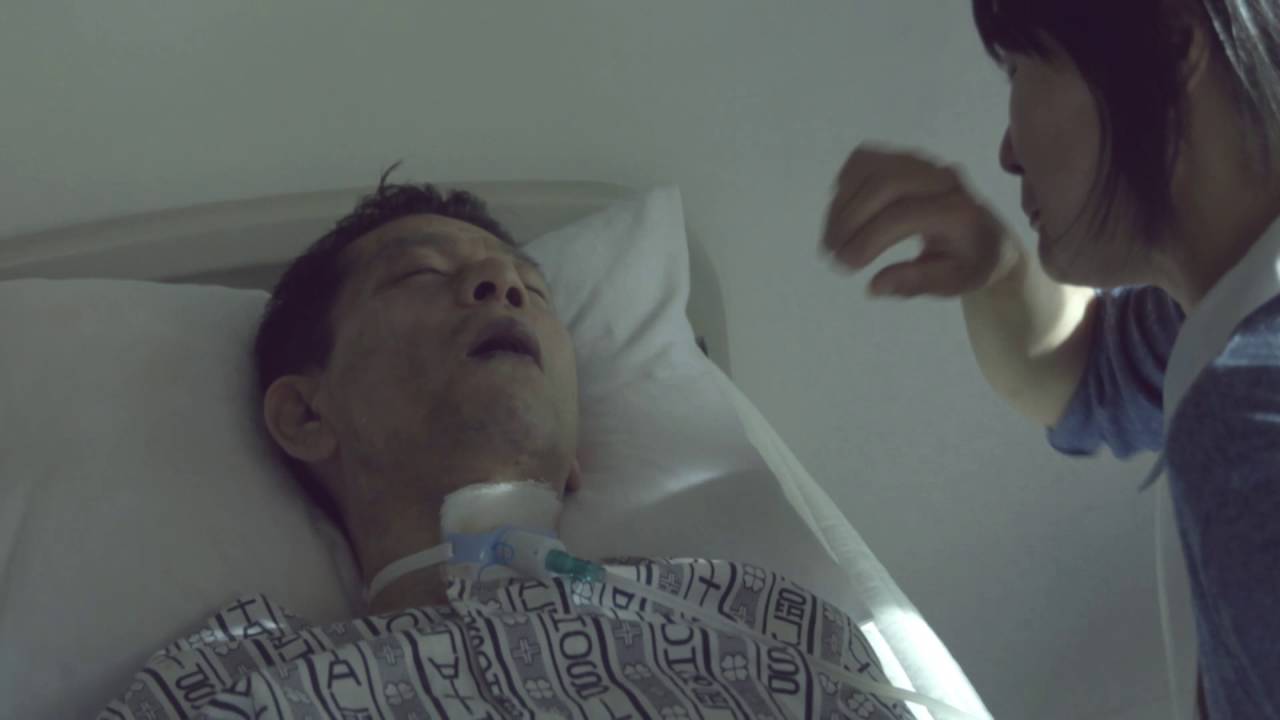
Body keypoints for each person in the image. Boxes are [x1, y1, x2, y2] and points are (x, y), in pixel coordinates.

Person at [97, 175, 943, 720]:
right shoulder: (224, 687)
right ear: (306, 415)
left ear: (574, 454)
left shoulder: (768, 628)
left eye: (530, 289)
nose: (501, 285)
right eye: (420, 273)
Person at [821, 1, 1280, 717]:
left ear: (1169, 48)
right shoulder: (1230, 301)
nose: (1007, 150)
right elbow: (1087, 373)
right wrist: (998, 268)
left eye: (1018, 67)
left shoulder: (1250, 419)